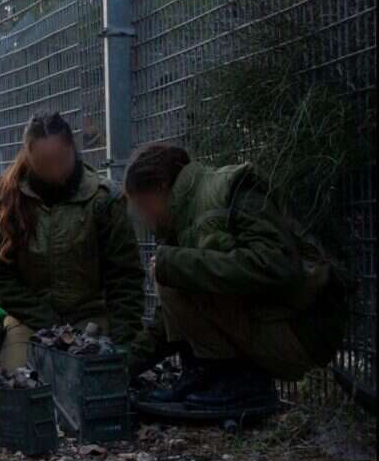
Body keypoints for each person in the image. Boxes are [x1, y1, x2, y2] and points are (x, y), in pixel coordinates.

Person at [125, 144, 348, 408]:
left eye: (143, 206)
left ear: (161, 186)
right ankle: (206, 375)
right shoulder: (183, 216)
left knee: (170, 268)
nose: (144, 218)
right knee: (169, 271)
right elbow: (172, 317)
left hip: (301, 331)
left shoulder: (231, 189)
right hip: (272, 325)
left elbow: (277, 266)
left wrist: (178, 263)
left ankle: (238, 381)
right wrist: (123, 367)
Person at [0, 112, 147, 370]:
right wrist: (40, 316)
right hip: (29, 319)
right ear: (29, 157)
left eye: (61, 160)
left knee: (87, 380)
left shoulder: (104, 200)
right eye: (45, 162)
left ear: (73, 150)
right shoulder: (3, 202)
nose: (55, 170)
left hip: (90, 317)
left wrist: (124, 342)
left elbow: (125, 277)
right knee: (21, 379)